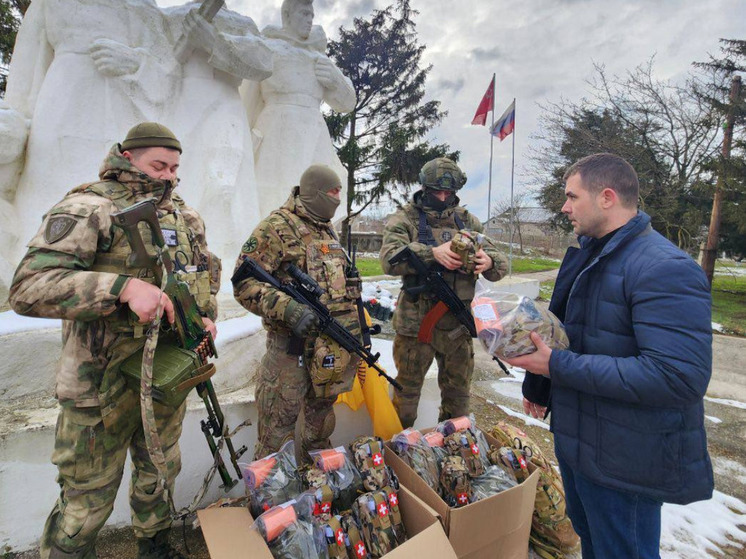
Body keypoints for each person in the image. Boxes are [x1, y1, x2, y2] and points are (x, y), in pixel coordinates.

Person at [8, 123, 220, 559]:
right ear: (128, 157)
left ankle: (155, 547)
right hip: (98, 387)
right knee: (85, 501)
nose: (168, 175)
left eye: (175, 167)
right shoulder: (90, 206)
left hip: (164, 378)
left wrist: (204, 320)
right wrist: (119, 288)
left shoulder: (184, 215)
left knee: (158, 477)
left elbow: (201, 282)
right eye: (158, 164)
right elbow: (28, 288)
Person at [507, 153, 713, 558]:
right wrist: (537, 372)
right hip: (583, 445)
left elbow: (677, 376)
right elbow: (582, 336)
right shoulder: (595, 255)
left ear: (606, 197)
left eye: (571, 196)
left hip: (625, 460)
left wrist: (557, 366)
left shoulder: (663, 267)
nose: (564, 207)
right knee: (595, 544)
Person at [233, 164, 362, 460]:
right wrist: (287, 309)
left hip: (327, 349)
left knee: (321, 427)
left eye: (340, 192)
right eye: (333, 192)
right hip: (289, 352)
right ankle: (271, 502)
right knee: (276, 436)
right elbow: (243, 282)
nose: (338, 198)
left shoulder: (326, 229)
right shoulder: (276, 227)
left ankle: (317, 493)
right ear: (314, 192)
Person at [379, 157, 508, 428]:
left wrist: (490, 261)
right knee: (406, 400)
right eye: (436, 191)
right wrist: (431, 253)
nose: (442, 197)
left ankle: (451, 456)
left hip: (457, 326)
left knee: (458, 401)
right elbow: (389, 259)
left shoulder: (467, 221)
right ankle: (400, 455)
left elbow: (499, 262)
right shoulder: (406, 219)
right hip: (417, 326)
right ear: (424, 187)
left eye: (448, 192)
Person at [162, 0, 273, 261]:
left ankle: (234, 264)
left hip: (227, 108)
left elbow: (263, 65)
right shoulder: (171, 16)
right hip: (182, 105)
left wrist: (213, 42)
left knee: (229, 191)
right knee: (184, 181)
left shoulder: (243, 24)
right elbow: (159, 61)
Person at [242, 0, 356, 218]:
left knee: (316, 196)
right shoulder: (268, 48)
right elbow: (247, 97)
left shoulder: (319, 58)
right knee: (270, 196)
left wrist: (335, 80)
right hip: (276, 131)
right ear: (287, 15)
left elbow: (347, 103)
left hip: (313, 135)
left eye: (311, 15)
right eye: (304, 13)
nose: (309, 19)